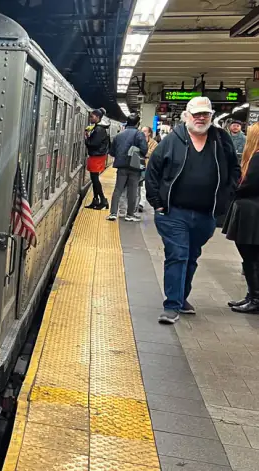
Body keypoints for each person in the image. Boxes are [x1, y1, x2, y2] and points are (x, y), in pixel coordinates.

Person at [146, 96, 240, 324]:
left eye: (205, 114)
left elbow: (234, 170)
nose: (201, 118)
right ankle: (172, 305)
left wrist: (226, 198)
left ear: (211, 116)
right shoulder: (172, 141)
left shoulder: (221, 139)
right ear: (186, 116)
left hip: (205, 215)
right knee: (177, 255)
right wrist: (157, 202)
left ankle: (181, 297)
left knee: (191, 257)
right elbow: (153, 171)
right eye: (196, 114)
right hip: (173, 212)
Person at [223, 122, 259, 313]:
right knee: (253, 257)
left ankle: (255, 298)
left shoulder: (257, 157)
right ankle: (251, 296)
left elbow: (249, 184)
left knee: (251, 256)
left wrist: (232, 190)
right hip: (253, 212)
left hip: (252, 214)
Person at [107, 114, 147, 222]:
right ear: (137, 123)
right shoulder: (139, 134)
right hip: (134, 166)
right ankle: (130, 215)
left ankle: (113, 213)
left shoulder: (119, 135)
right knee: (132, 191)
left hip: (121, 167)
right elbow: (144, 150)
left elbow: (112, 152)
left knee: (118, 189)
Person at [84, 108, 110, 210]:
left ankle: (103, 200)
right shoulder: (98, 128)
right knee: (94, 179)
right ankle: (96, 200)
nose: (90, 118)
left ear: (98, 117)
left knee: (95, 180)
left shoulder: (99, 129)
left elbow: (93, 144)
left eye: (92, 116)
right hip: (97, 156)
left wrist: (86, 137)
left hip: (96, 156)